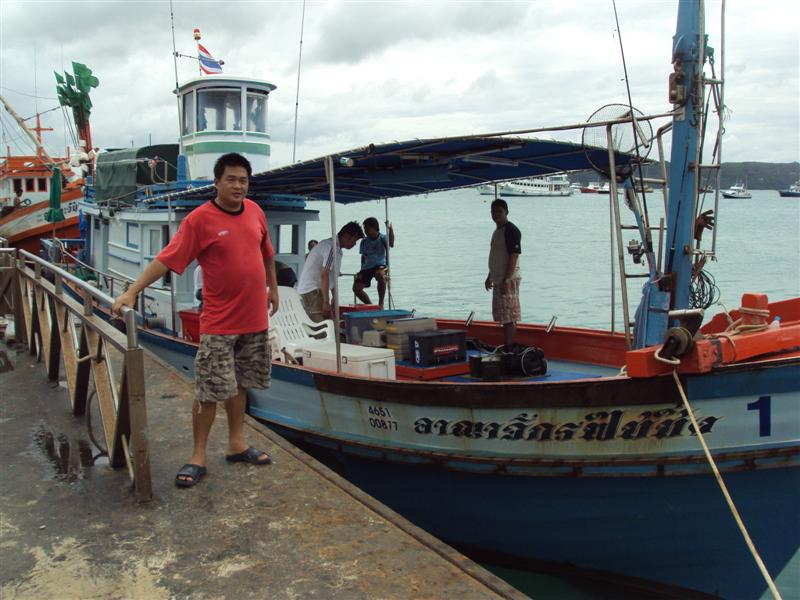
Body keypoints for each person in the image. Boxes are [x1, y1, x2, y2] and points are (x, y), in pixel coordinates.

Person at [111, 152, 279, 488]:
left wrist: (272, 289)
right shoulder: (199, 220)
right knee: (208, 391)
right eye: (230, 179)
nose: (237, 185)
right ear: (216, 182)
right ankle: (198, 456)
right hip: (219, 323)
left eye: (243, 180)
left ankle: (236, 443)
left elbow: (267, 256)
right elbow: (167, 259)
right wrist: (132, 291)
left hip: (254, 319)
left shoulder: (256, 212)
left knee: (240, 383)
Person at [296, 222, 364, 322]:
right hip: (312, 290)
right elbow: (324, 274)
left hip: (318, 289)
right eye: (355, 240)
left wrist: (334, 296)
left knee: (330, 322)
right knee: (320, 326)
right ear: (346, 236)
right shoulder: (331, 248)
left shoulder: (337, 249)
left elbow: (332, 275)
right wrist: (326, 302)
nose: (354, 244)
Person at [484, 198, 522, 347]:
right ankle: (507, 345)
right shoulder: (497, 231)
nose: (496, 214)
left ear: (506, 212)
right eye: (493, 211)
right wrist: (490, 277)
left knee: (510, 316)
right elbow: (496, 256)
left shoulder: (511, 230)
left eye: (499, 211)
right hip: (498, 278)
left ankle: (509, 347)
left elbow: (514, 256)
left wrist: (506, 279)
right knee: (502, 315)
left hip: (509, 279)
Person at [353, 217, 395, 308]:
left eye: (367, 228)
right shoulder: (364, 241)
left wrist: (390, 229)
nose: (365, 231)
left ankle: (381, 303)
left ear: (374, 228)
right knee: (356, 288)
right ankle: (370, 305)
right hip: (367, 267)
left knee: (380, 274)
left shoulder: (382, 238)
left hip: (380, 265)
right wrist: (361, 270)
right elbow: (363, 256)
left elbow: (391, 243)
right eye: (364, 229)